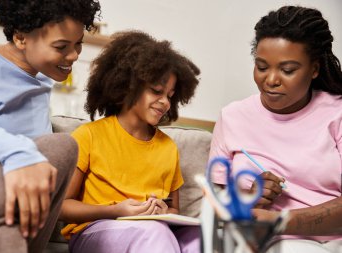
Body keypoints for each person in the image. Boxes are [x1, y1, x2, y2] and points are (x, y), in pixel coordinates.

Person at [0, 0, 100, 252]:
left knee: (8, 235)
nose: (73, 56)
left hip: (20, 222)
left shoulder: (41, 84)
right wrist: (17, 153)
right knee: (61, 146)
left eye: (78, 43)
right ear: (20, 37)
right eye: (61, 46)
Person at [209, 5, 342, 252]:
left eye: (287, 70)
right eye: (261, 67)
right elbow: (215, 205)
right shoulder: (232, 117)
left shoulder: (336, 114)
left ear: (314, 69)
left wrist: (282, 221)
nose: (271, 80)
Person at [59, 30, 201, 253]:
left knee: (198, 238)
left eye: (170, 95)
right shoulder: (89, 135)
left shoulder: (168, 147)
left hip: (154, 231)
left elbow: (174, 210)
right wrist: (116, 210)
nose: (164, 102)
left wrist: (162, 210)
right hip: (94, 231)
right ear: (128, 86)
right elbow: (62, 207)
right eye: (156, 91)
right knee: (155, 233)